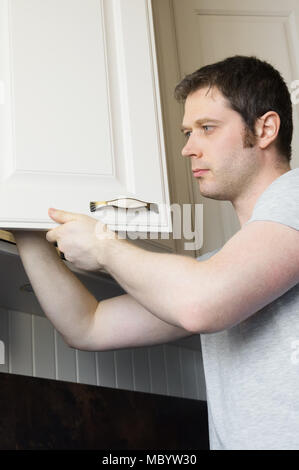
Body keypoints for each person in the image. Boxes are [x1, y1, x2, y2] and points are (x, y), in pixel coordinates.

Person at [12, 56, 299, 450]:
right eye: (187, 132)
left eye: (207, 129)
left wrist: (104, 246)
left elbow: (202, 302)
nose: (187, 149)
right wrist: (20, 216)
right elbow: (87, 325)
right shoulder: (217, 271)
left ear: (265, 128)